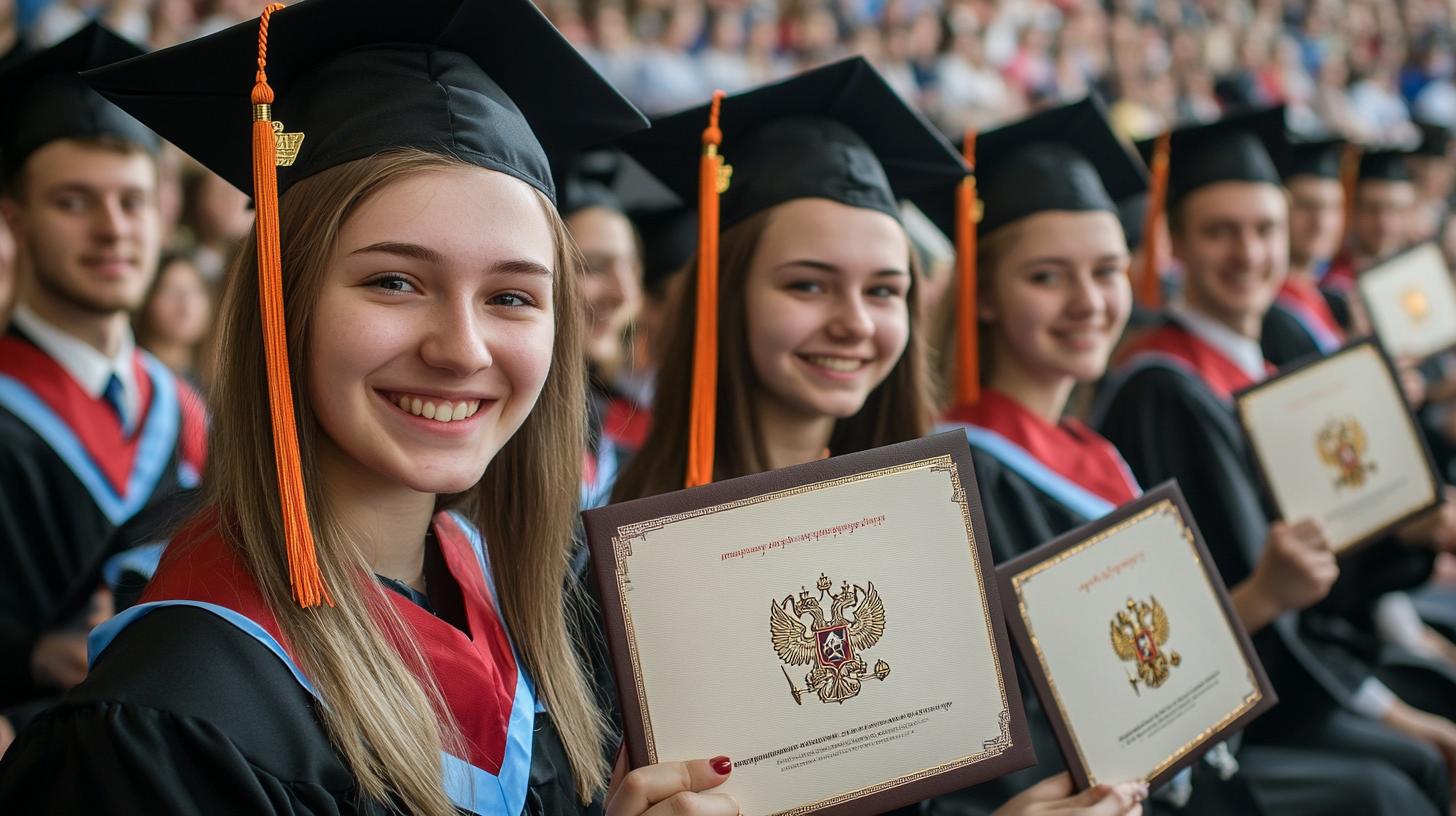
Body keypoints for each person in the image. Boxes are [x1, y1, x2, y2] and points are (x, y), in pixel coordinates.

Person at [0, 2, 759, 814]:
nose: (461, 348)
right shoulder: (175, 718)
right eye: (394, 281)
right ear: (281, 302)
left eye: (511, 295)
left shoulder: (544, 623)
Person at [612, 59, 1147, 816]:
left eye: (884, 290)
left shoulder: (932, 527)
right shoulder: (629, 562)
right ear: (726, 292)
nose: (856, 324)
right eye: (807, 284)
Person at [1093, 108, 1456, 815]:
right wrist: (1391, 713)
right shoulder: (1165, 388)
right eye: (1219, 231)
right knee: (1408, 768)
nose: (1248, 252)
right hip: (1240, 712)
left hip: (1305, 665)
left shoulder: (1263, 373)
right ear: (1177, 246)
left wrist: (1401, 528)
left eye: (1264, 229)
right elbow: (1255, 597)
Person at [0, 23, 205, 722]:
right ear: (16, 220)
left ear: (163, 212)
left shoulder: (190, 412)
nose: (113, 229)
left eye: (131, 201)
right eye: (73, 201)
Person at [1260, 138, 1347, 367]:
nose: (1321, 223)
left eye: (1332, 208)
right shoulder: (1266, 310)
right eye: (1306, 206)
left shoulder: (1323, 296)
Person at [132, 251, 211, 388]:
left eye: (195, 291)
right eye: (171, 291)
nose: (186, 305)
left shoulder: (211, 380)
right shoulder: (133, 376)